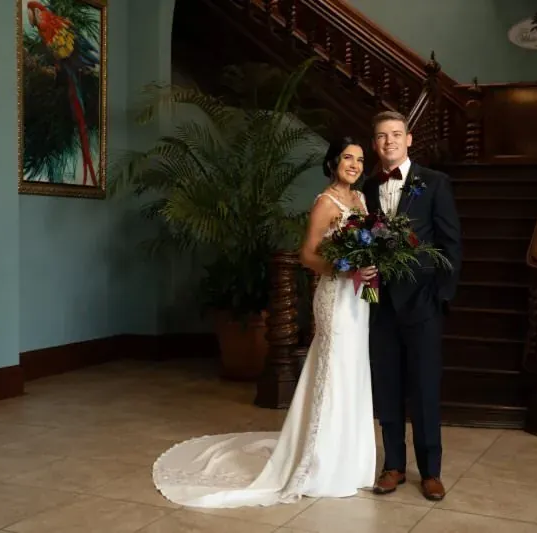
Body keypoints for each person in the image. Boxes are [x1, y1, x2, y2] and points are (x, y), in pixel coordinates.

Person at [151, 137, 379, 508]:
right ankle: (321, 463)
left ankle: (351, 462)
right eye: (347, 158)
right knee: (333, 368)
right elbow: (307, 255)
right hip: (335, 296)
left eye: (359, 159)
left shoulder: (361, 200)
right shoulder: (325, 203)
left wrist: (369, 265)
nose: (354, 164)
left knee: (353, 370)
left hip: (358, 299)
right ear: (333, 162)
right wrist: (345, 267)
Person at [362, 110, 462, 501]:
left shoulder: (435, 183)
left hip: (423, 302)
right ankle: (393, 466)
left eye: (396, 134)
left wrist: (441, 294)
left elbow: (451, 242)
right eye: (382, 135)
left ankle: (431, 471)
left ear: (409, 139)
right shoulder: (367, 188)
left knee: (423, 387)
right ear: (375, 143)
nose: (389, 141)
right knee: (387, 386)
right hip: (379, 303)